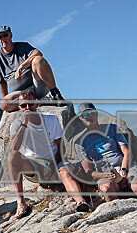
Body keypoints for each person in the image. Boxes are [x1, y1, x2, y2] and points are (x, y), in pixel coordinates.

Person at [7, 90, 89, 218]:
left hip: (53, 161)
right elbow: (13, 149)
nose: (28, 108)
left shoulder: (50, 119)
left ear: (37, 103)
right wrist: (24, 124)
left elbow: (60, 146)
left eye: (30, 104)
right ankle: (21, 203)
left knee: (65, 172)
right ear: (19, 108)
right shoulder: (17, 124)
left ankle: (81, 202)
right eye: (23, 106)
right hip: (33, 166)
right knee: (12, 157)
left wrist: (52, 164)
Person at [72, 103, 137, 207]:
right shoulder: (80, 142)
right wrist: (103, 175)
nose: (88, 117)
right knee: (107, 189)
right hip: (104, 173)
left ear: (96, 113)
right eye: (84, 115)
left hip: (125, 166)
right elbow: (88, 171)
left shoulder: (112, 128)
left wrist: (124, 169)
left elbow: (126, 152)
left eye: (91, 113)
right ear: (80, 118)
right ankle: (119, 216)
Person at [0, 25, 66, 112]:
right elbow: (1, 81)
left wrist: (21, 67)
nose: (3, 39)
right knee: (4, 105)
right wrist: (5, 99)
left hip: (37, 87)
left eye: (5, 35)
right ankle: (39, 102)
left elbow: (38, 53)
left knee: (38, 60)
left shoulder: (23, 46)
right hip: (20, 94)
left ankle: (55, 94)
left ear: (11, 35)